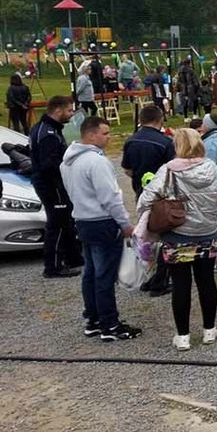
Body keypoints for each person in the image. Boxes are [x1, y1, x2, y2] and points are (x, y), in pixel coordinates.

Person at [137, 128, 217, 350]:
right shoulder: (214, 171)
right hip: (207, 234)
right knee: (206, 281)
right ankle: (209, 330)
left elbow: (145, 200)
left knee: (181, 284)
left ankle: (183, 335)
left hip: (177, 236)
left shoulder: (168, 171)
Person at [60, 116, 141, 341]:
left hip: (83, 220)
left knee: (91, 272)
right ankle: (110, 324)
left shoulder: (67, 161)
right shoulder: (96, 162)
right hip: (102, 221)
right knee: (104, 275)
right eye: (105, 133)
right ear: (91, 134)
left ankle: (93, 319)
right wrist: (125, 224)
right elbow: (110, 197)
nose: (108, 138)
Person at [30, 95, 83, 278]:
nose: (71, 114)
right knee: (58, 223)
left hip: (52, 183)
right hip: (51, 185)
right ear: (58, 110)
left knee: (66, 220)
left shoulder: (47, 128)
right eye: (69, 110)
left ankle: (73, 257)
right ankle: (52, 266)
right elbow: (49, 165)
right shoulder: (48, 134)